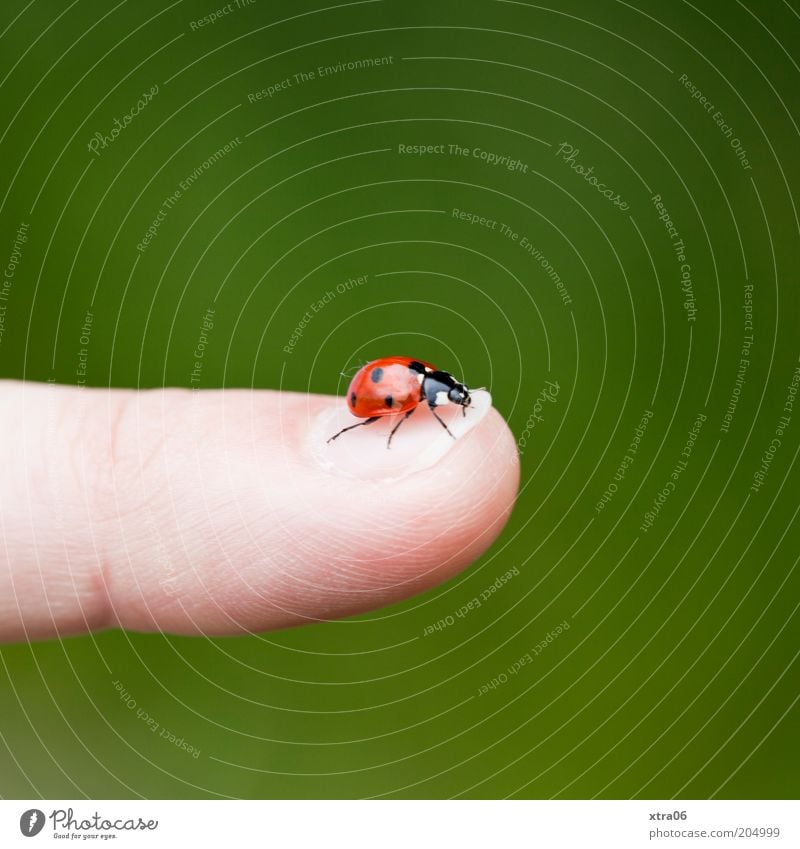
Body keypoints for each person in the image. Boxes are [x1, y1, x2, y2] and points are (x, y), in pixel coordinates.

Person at [0, 381, 520, 641]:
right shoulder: (414, 392)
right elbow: (399, 404)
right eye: (448, 396)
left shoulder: (421, 386)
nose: (449, 400)